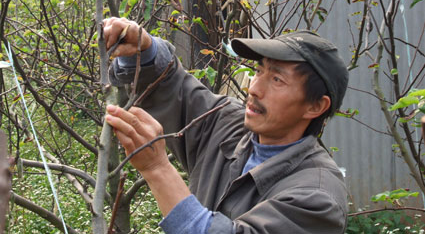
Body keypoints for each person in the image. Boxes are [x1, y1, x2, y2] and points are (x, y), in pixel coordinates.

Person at [103, 17, 349, 234]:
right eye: (259, 70)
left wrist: (157, 168)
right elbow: (173, 88)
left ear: (315, 107)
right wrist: (142, 50)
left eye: (277, 79)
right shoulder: (226, 124)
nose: (253, 88)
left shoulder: (318, 199)